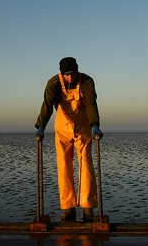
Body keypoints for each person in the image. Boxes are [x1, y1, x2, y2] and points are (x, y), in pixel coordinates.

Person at [34, 56, 103, 222]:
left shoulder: (87, 81)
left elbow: (91, 104)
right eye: (66, 74)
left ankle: (88, 209)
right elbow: (47, 105)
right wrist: (41, 128)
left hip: (83, 125)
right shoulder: (53, 83)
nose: (70, 78)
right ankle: (68, 208)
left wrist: (95, 125)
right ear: (61, 74)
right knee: (64, 166)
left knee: (85, 164)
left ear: (77, 71)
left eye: (72, 73)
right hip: (62, 127)